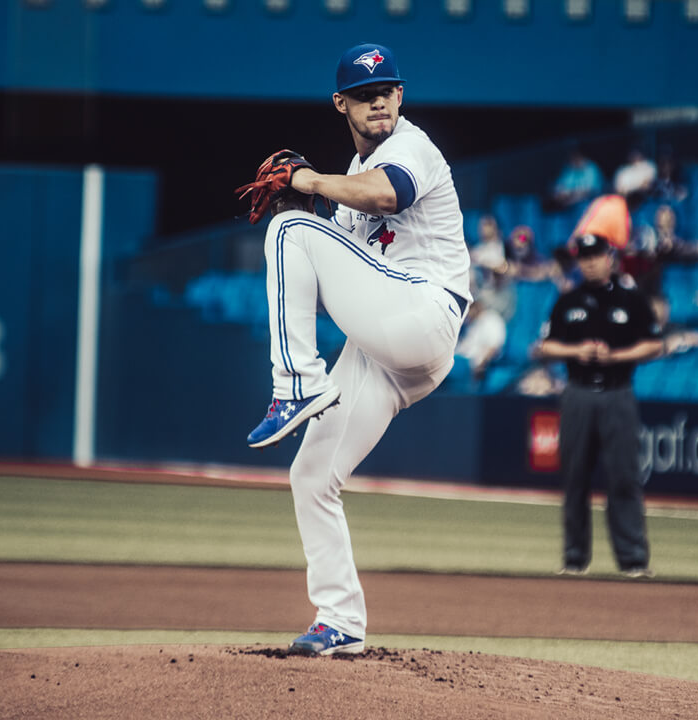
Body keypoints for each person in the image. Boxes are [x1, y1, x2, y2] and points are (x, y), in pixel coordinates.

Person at [241, 43, 470, 657]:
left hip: (425, 311)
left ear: (401, 96)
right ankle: (339, 620)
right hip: (389, 346)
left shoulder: (409, 148)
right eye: (365, 94)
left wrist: (307, 189)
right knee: (312, 474)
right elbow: (320, 294)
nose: (378, 101)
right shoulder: (348, 180)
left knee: (288, 228)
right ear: (341, 103)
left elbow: (388, 194)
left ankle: (297, 384)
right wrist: (311, 215)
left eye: (387, 90)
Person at [537, 233, 663, 578]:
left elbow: (655, 345)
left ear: (610, 258)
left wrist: (616, 355)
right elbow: (545, 347)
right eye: (584, 257)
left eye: (596, 255)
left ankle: (633, 560)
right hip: (578, 392)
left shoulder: (631, 299)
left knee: (624, 477)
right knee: (574, 477)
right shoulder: (569, 300)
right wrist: (577, 352)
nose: (590, 262)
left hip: (617, 391)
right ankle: (575, 559)